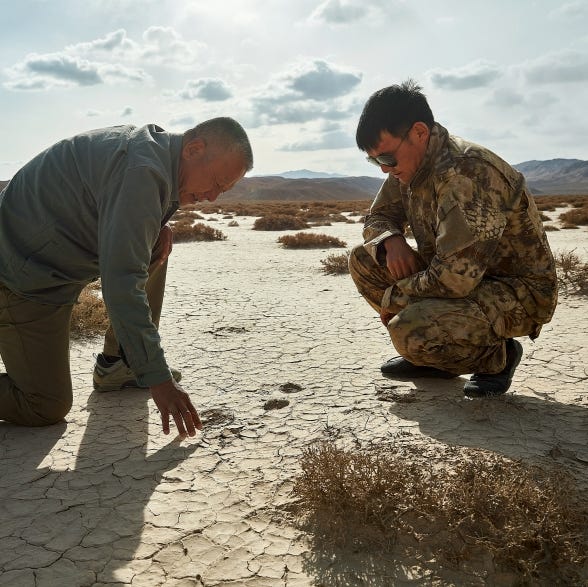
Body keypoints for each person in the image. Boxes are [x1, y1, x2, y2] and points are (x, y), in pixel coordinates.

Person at [0, 117, 253, 434]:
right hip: (21, 278)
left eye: (224, 190)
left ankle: (120, 363)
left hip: (49, 260)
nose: (213, 197)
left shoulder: (160, 154)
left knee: (154, 243)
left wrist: (157, 223)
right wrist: (159, 379)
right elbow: (121, 285)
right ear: (194, 149)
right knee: (45, 404)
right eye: (216, 182)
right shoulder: (142, 172)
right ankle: (135, 363)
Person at [349, 80, 558, 397]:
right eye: (374, 160)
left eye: (387, 158)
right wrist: (391, 240)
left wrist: (396, 298)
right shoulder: (409, 167)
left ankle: (497, 358)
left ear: (419, 133)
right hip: (457, 278)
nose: (383, 169)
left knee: (408, 327)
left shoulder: (467, 172)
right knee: (365, 260)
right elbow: (377, 218)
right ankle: (436, 357)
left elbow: (454, 280)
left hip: (516, 292)